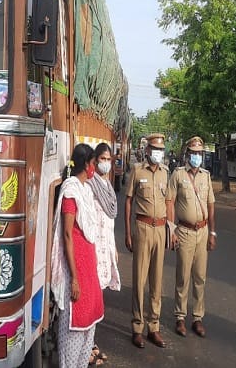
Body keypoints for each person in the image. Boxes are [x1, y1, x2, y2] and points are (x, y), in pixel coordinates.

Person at [51, 143, 105, 367]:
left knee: (88, 327)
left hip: (88, 270)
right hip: (76, 271)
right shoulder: (71, 190)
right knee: (73, 330)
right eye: (94, 163)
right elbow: (67, 234)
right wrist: (74, 277)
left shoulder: (85, 189)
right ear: (86, 164)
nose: (96, 168)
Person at [166, 136, 216, 338]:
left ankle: (197, 317)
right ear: (187, 154)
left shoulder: (206, 176)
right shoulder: (178, 175)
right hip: (184, 231)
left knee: (200, 277)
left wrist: (212, 232)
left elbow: (211, 204)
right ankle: (180, 316)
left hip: (202, 232)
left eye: (199, 153)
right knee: (183, 276)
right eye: (193, 153)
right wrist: (171, 229)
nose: (197, 157)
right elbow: (170, 201)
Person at [124, 133, 169, 349]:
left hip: (160, 228)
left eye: (161, 149)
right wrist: (128, 232)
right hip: (142, 227)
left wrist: (171, 228)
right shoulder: (137, 170)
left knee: (157, 281)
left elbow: (168, 201)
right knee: (140, 279)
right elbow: (128, 201)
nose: (158, 153)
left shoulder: (165, 173)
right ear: (148, 150)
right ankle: (137, 327)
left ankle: (154, 326)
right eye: (155, 149)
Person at [89, 142, 121, 364]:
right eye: (103, 159)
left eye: (109, 159)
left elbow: (110, 220)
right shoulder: (90, 185)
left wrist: (114, 247)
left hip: (106, 248)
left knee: (98, 299)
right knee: (91, 300)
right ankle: (88, 346)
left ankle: (91, 342)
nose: (106, 163)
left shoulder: (107, 186)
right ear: (95, 160)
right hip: (93, 249)